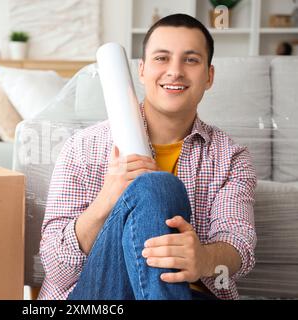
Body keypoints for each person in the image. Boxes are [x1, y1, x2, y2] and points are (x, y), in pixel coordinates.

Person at [38, 13, 257, 300]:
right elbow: (57, 269)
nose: (175, 71)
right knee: (156, 186)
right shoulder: (83, 148)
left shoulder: (230, 157)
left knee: (155, 186)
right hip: (101, 294)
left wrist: (202, 258)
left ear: (209, 76)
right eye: (161, 58)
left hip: (194, 293)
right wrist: (108, 199)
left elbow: (239, 245)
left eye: (190, 60)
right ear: (141, 71)